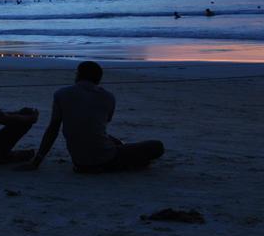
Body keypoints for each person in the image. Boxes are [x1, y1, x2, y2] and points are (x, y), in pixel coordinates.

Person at [20, 61, 164, 173]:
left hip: (80, 162)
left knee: (114, 141)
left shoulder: (61, 94)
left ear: (78, 75)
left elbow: (53, 129)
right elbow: (104, 122)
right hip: (105, 158)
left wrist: (37, 161)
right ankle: (126, 163)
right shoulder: (108, 97)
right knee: (157, 146)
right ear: (98, 79)